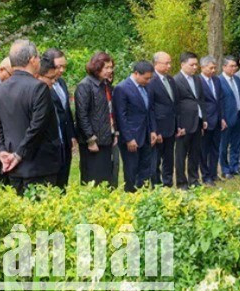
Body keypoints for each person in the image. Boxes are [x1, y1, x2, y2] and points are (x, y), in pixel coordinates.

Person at [0, 40, 62, 196]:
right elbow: (37, 127)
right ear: (32, 60)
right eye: (37, 57)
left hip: (14, 166)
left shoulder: (2, 87)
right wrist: (18, 155)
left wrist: (1, 151)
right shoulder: (39, 88)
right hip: (39, 165)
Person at [114, 61, 158, 192]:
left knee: (146, 167)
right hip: (131, 137)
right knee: (131, 169)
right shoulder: (122, 88)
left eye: (150, 78)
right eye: (146, 78)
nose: (148, 81)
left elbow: (149, 110)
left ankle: (143, 192)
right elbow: (121, 117)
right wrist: (128, 138)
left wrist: (153, 130)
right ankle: (131, 195)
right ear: (136, 74)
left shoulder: (147, 87)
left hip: (146, 135)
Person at [75, 52, 117, 187]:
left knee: (107, 179)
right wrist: (90, 139)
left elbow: (110, 110)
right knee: (93, 179)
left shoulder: (105, 85)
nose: (110, 70)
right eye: (106, 68)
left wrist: (114, 132)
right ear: (97, 67)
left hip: (106, 137)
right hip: (93, 142)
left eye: (111, 67)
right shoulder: (85, 85)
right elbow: (82, 115)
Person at [44, 48, 77, 189]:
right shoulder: (43, 85)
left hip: (65, 137)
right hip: (52, 139)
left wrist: (72, 135)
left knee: (64, 176)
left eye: (64, 66)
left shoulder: (62, 83)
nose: (62, 70)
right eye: (58, 66)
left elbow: (66, 111)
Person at [173, 52, 206, 188]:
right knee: (181, 155)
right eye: (191, 65)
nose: (194, 67)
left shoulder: (197, 79)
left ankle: (194, 180)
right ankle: (181, 182)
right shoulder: (176, 80)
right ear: (182, 64)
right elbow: (175, 105)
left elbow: (201, 99)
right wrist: (178, 125)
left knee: (195, 153)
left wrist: (203, 118)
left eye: (196, 65)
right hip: (184, 124)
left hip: (197, 122)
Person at [148, 52, 178, 187]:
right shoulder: (151, 81)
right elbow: (151, 108)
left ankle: (168, 182)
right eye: (166, 63)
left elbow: (174, 104)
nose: (169, 66)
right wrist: (155, 130)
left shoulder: (171, 80)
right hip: (158, 127)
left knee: (169, 157)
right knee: (156, 159)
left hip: (171, 126)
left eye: (169, 62)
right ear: (156, 64)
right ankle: (156, 184)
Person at [219, 56, 240, 179]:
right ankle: (225, 169)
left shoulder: (237, 79)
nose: (233, 68)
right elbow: (219, 102)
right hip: (226, 117)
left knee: (236, 143)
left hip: (239, 115)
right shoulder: (219, 81)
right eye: (231, 66)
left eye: (235, 66)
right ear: (224, 67)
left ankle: (234, 167)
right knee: (224, 145)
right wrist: (222, 118)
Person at [198, 56, 225, 186]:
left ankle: (214, 173)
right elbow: (199, 103)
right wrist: (202, 120)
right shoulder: (197, 81)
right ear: (202, 67)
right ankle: (205, 175)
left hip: (217, 119)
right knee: (204, 150)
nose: (213, 70)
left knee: (215, 149)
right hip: (206, 121)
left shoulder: (216, 80)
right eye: (211, 68)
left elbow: (220, 100)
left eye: (215, 68)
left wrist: (222, 118)